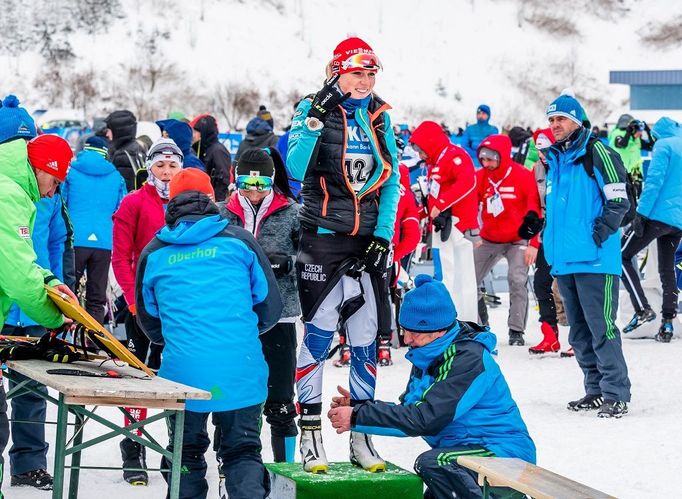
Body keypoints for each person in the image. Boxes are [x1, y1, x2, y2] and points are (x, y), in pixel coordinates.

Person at [287, 36, 400, 473]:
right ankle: (310, 437)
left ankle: (362, 437)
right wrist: (314, 121)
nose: (366, 81)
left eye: (372, 74)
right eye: (358, 73)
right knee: (317, 339)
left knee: (366, 339)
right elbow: (295, 170)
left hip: (366, 240)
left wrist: (384, 235)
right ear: (338, 72)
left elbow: (391, 181)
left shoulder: (379, 115)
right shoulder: (310, 107)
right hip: (322, 239)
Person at [135, 169, 282, 499]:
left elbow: (149, 322)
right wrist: (237, 331)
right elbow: (271, 307)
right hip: (241, 369)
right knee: (243, 452)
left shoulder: (154, 252)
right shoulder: (240, 241)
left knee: (184, 456)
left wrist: (184, 337)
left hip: (183, 374)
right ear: (210, 199)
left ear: (170, 201)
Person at [327, 274, 536, 499]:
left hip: (503, 455)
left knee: (434, 463)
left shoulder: (468, 359)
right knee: (436, 477)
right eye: (403, 330)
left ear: (440, 330)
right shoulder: (429, 354)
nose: (406, 339)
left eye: (414, 333)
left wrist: (358, 416)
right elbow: (410, 414)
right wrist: (361, 409)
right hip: (466, 454)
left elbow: (426, 418)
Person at [0, 97, 76, 495]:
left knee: (26, 396)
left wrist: (51, 281)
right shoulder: (9, 193)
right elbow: (16, 273)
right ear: (44, 169)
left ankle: (28, 465)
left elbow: (29, 256)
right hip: (21, 306)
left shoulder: (19, 188)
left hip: (25, 303)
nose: (53, 193)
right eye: (55, 180)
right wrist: (53, 315)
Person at [543, 90, 631, 418]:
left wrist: (597, 235)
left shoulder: (598, 152)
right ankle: (594, 390)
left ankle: (615, 392)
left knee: (601, 326)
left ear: (576, 120)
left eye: (561, 119)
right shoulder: (556, 160)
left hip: (595, 258)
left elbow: (619, 201)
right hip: (565, 260)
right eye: (551, 120)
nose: (555, 125)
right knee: (578, 330)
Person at [219, 147, 300, 463]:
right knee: (232, 396)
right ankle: (233, 466)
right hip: (235, 316)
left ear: (272, 181)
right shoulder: (222, 213)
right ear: (236, 180)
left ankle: (285, 467)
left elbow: (307, 255)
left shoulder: (292, 212)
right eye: (246, 183)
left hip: (279, 316)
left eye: (262, 184)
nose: (254, 192)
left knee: (280, 399)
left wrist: (287, 262)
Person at [112, 137, 183, 484]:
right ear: (149, 167)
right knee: (138, 379)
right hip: (140, 306)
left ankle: (175, 451)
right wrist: (132, 299)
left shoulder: (188, 203)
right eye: (160, 165)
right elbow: (120, 257)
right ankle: (133, 450)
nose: (166, 173)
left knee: (175, 379)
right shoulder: (134, 202)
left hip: (178, 308)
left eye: (172, 166)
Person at [474, 134, 542, 346]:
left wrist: (533, 244)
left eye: (491, 159)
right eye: (483, 159)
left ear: (502, 156)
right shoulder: (481, 176)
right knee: (468, 279)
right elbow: (468, 204)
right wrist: (473, 232)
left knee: (517, 278)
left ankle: (516, 330)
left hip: (517, 240)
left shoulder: (522, 175)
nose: (486, 164)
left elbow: (535, 210)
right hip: (489, 239)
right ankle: (479, 322)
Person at [409, 120, 479, 323]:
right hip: (442, 227)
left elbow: (467, 181)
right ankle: (450, 318)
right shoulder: (436, 163)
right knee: (446, 274)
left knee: (461, 275)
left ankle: (465, 321)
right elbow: (433, 195)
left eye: (421, 149)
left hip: (457, 225)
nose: (420, 155)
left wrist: (441, 203)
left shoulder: (454, 156)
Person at [620, 117, 682, 342]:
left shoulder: (664, 145)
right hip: (677, 222)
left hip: (656, 216)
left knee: (621, 255)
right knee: (667, 271)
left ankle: (642, 309)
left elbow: (654, 181)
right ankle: (667, 323)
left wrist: (641, 214)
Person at [62, 136, 126, 324]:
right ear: (104, 152)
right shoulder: (116, 177)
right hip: (103, 242)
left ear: (85, 150)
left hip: (75, 241)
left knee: (68, 294)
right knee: (96, 298)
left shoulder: (71, 173)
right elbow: (119, 208)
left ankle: (66, 341)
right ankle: (93, 342)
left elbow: (61, 204)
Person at [527, 128, 572, 356]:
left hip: (568, 234)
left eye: (545, 149)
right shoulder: (537, 169)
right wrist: (532, 241)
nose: (542, 154)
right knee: (541, 283)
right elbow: (534, 206)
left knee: (570, 285)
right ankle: (550, 336)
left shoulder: (568, 165)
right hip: (547, 233)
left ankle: (578, 336)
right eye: (538, 150)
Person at [190, 114, 232, 201]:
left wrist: (217, 202)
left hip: (214, 201)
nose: (193, 135)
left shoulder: (218, 151)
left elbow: (223, 179)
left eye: (196, 132)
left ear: (204, 132)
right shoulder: (204, 149)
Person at [105, 110, 146, 191]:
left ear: (119, 131)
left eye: (109, 131)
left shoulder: (123, 155)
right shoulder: (135, 147)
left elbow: (123, 190)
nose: (107, 134)